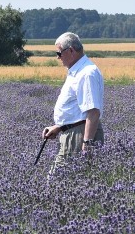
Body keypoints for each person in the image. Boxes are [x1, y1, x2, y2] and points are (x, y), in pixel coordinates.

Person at [41, 32, 104, 168]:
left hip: (79, 136)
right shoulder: (78, 71)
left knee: (58, 182)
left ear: (70, 51)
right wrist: (59, 127)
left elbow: (93, 112)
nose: (58, 58)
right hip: (72, 132)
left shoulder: (86, 73)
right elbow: (77, 110)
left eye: (59, 53)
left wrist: (87, 144)